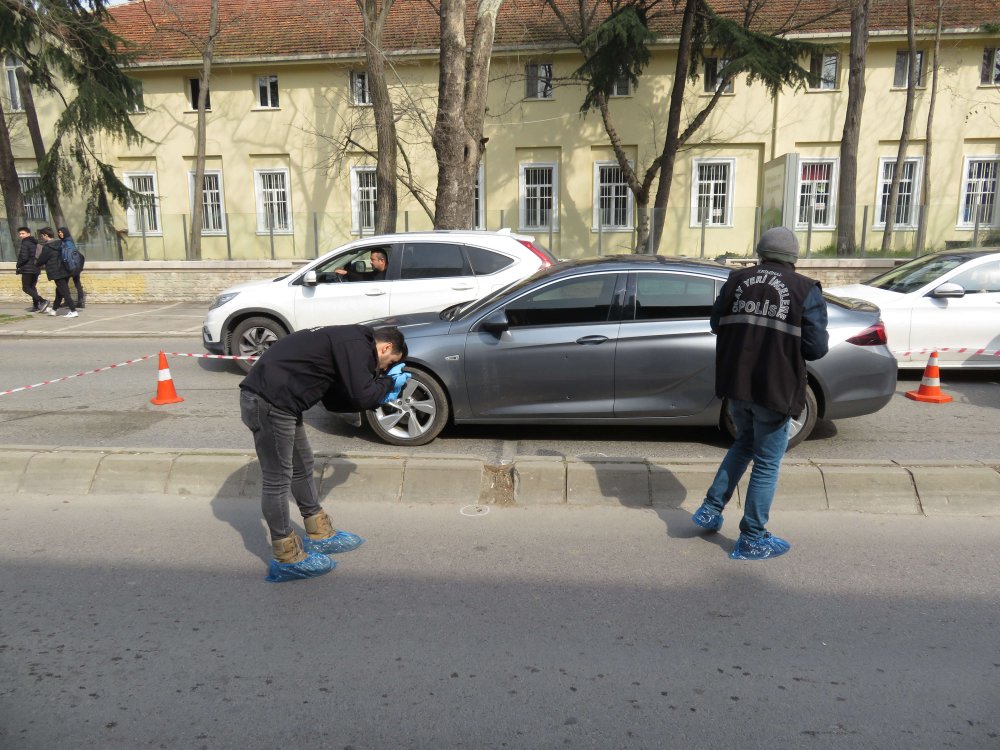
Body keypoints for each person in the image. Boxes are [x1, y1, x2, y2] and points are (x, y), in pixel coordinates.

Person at [692, 226, 829, 560]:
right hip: (775, 387)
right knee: (767, 462)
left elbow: (715, 324)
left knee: (743, 445)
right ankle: (753, 536)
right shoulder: (804, 290)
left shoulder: (737, 281)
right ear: (793, 258)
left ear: (761, 253)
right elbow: (816, 348)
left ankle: (710, 508)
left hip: (737, 384)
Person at [239, 323, 409, 582]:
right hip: (269, 402)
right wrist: (387, 384)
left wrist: (381, 390)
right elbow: (362, 395)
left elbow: (336, 399)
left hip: (282, 402)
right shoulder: (356, 344)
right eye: (389, 361)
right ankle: (287, 558)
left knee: (303, 463)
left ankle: (319, 534)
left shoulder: (350, 343)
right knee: (277, 479)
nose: (384, 367)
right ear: (385, 347)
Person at [35, 227, 79, 318]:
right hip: (66, 270)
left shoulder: (47, 247)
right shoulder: (60, 243)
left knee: (65, 291)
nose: (42, 238)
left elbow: (41, 261)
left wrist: (35, 263)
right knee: (59, 291)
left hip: (57, 272)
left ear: (46, 235)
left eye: (42, 236)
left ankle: (73, 311)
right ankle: (54, 310)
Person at [15, 227, 49, 313]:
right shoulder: (34, 242)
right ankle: (36, 305)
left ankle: (42, 300)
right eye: (20, 234)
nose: (21, 235)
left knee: (26, 287)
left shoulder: (26, 243)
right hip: (36, 268)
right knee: (32, 287)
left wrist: (18, 265)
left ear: (28, 234)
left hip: (28, 269)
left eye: (23, 233)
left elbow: (24, 257)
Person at [58, 227, 86, 308]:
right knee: (76, 282)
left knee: (65, 284)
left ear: (65, 232)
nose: (60, 233)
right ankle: (79, 301)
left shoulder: (67, 242)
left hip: (70, 267)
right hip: (74, 266)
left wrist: (67, 267)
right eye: (59, 232)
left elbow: (67, 256)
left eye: (61, 232)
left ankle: (70, 301)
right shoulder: (67, 241)